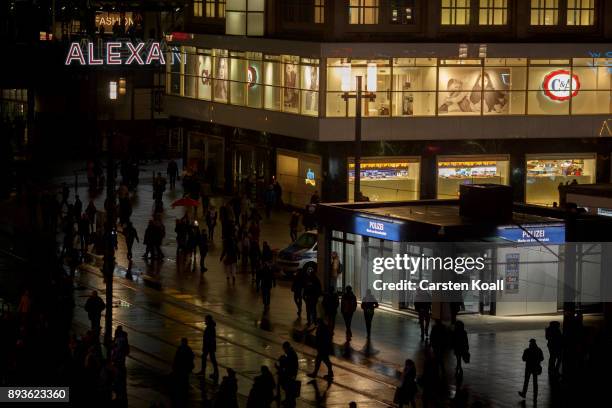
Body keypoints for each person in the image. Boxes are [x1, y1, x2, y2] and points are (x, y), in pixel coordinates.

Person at [197, 315, 219, 381]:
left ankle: (213, 372)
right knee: (209, 358)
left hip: (209, 346)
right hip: (209, 346)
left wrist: (206, 346)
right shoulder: (210, 326)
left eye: (206, 319)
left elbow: (210, 338)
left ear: (208, 320)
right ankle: (207, 371)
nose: (205, 320)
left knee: (211, 359)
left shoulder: (210, 327)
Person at [277, 342, 299, 408]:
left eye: (284, 349)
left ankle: (289, 401)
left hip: (290, 373)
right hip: (291, 372)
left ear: (286, 348)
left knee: (288, 387)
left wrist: (282, 360)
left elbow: (288, 364)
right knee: (288, 387)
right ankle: (289, 400)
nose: (284, 350)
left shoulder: (291, 353)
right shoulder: (290, 353)